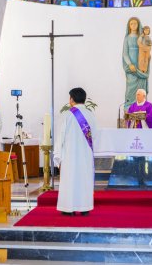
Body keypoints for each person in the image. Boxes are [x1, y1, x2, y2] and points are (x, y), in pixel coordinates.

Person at [54, 88, 97, 216]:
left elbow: (60, 137)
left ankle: (68, 209)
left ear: (72, 99)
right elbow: (94, 136)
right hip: (85, 155)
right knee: (84, 179)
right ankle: (85, 207)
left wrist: (57, 155)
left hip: (70, 156)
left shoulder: (67, 115)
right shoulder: (91, 115)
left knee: (70, 180)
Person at [122, 17, 150, 110]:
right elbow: (125, 53)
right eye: (131, 24)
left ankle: (140, 106)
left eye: (135, 23)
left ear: (138, 25)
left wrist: (147, 58)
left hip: (140, 64)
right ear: (129, 26)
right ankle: (129, 106)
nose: (133, 25)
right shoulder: (127, 38)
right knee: (130, 87)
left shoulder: (141, 38)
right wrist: (130, 64)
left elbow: (146, 49)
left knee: (140, 89)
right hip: (131, 67)